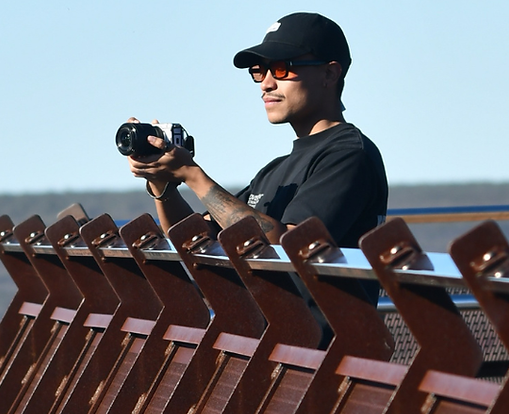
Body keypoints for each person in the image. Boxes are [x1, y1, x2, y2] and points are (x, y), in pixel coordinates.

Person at [125, 12, 388, 249]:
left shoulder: (349, 155)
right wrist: (163, 183)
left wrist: (192, 174)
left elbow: (291, 246)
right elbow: (195, 240)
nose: (266, 84)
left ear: (330, 74)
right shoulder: (274, 170)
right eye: (259, 71)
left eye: (282, 68)